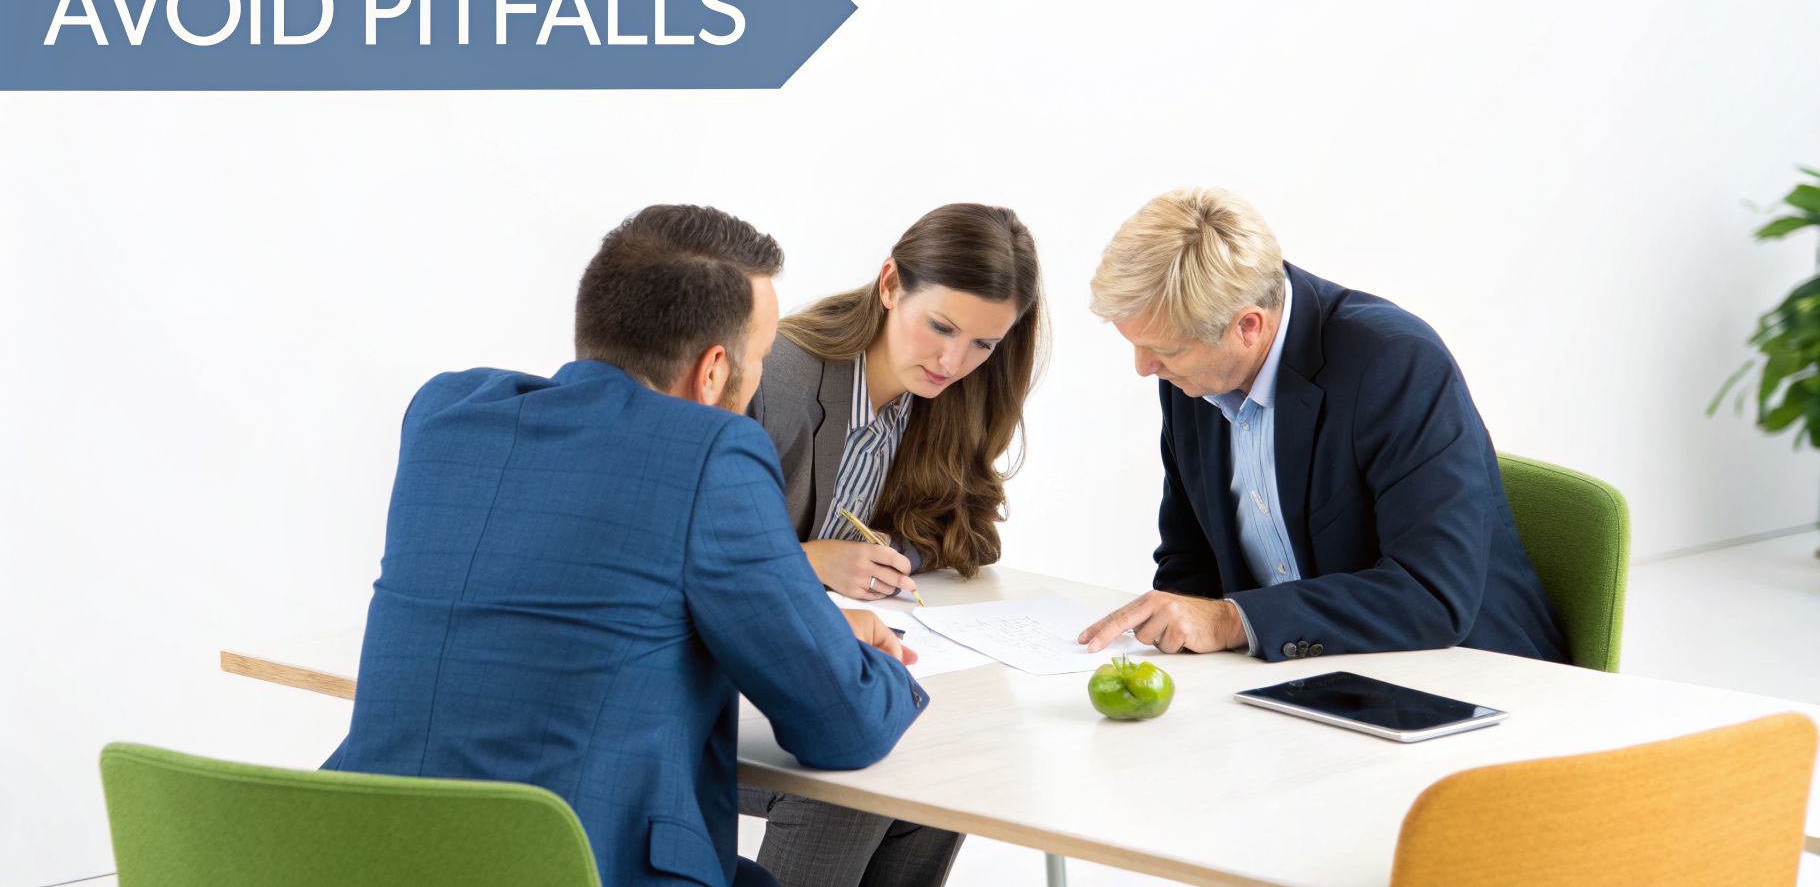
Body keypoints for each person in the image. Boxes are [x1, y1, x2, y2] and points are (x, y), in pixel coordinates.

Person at [324, 205, 928, 887]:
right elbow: (840, 724)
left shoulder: (445, 415)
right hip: (574, 866)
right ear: (712, 372)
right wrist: (856, 655)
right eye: (760, 359)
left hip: (366, 852)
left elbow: (594, 602)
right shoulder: (713, 451)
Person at [1077, 188, 1566, 664]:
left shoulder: (1394, 364)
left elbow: (1431, 592)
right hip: (1314, 677)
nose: (1144, 367)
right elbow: (1191, 563)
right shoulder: (1194, 375)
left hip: (1471, 676)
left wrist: (1232, 621)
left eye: (1166, 350)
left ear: (1248, 326)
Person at [738, 203, 1044, 887]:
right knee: (863, 781)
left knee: (946, 764)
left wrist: (892, 556)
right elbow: (691, 552)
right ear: (889, 286)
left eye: (983, 345)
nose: (953, 360)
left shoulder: (938, 403)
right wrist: (807, 560)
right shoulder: (778, 377)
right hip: (723, 683)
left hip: (821, 664)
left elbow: (968, 529)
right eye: (940, 327)